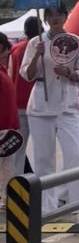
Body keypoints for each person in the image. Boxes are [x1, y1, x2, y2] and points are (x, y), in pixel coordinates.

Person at [20, 4, 79, 219]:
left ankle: (78, 206)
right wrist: (37, 55)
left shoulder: (76, 42)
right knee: (44, 159)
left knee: (74, 156)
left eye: (59, 14)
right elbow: (27, 74)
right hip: (41, 104)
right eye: (50, 14)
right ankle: (46, 207)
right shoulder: (36, 42)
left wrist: (69, 72)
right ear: (46, 18)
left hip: (67, 104)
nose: (55, 18)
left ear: (66, 16)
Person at [8, 15, 40, 175]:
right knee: (41, 148)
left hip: (18, 103)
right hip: (37, 104)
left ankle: (16, 182)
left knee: (18, 150)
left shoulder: (15, 49)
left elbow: (10, 73)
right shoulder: (41, 48)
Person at [0, 32, 20, 210]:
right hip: (2, 127)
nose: (8, 53)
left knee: (7, 166)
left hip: (8, 127)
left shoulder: (3, 69)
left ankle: (6, 198)